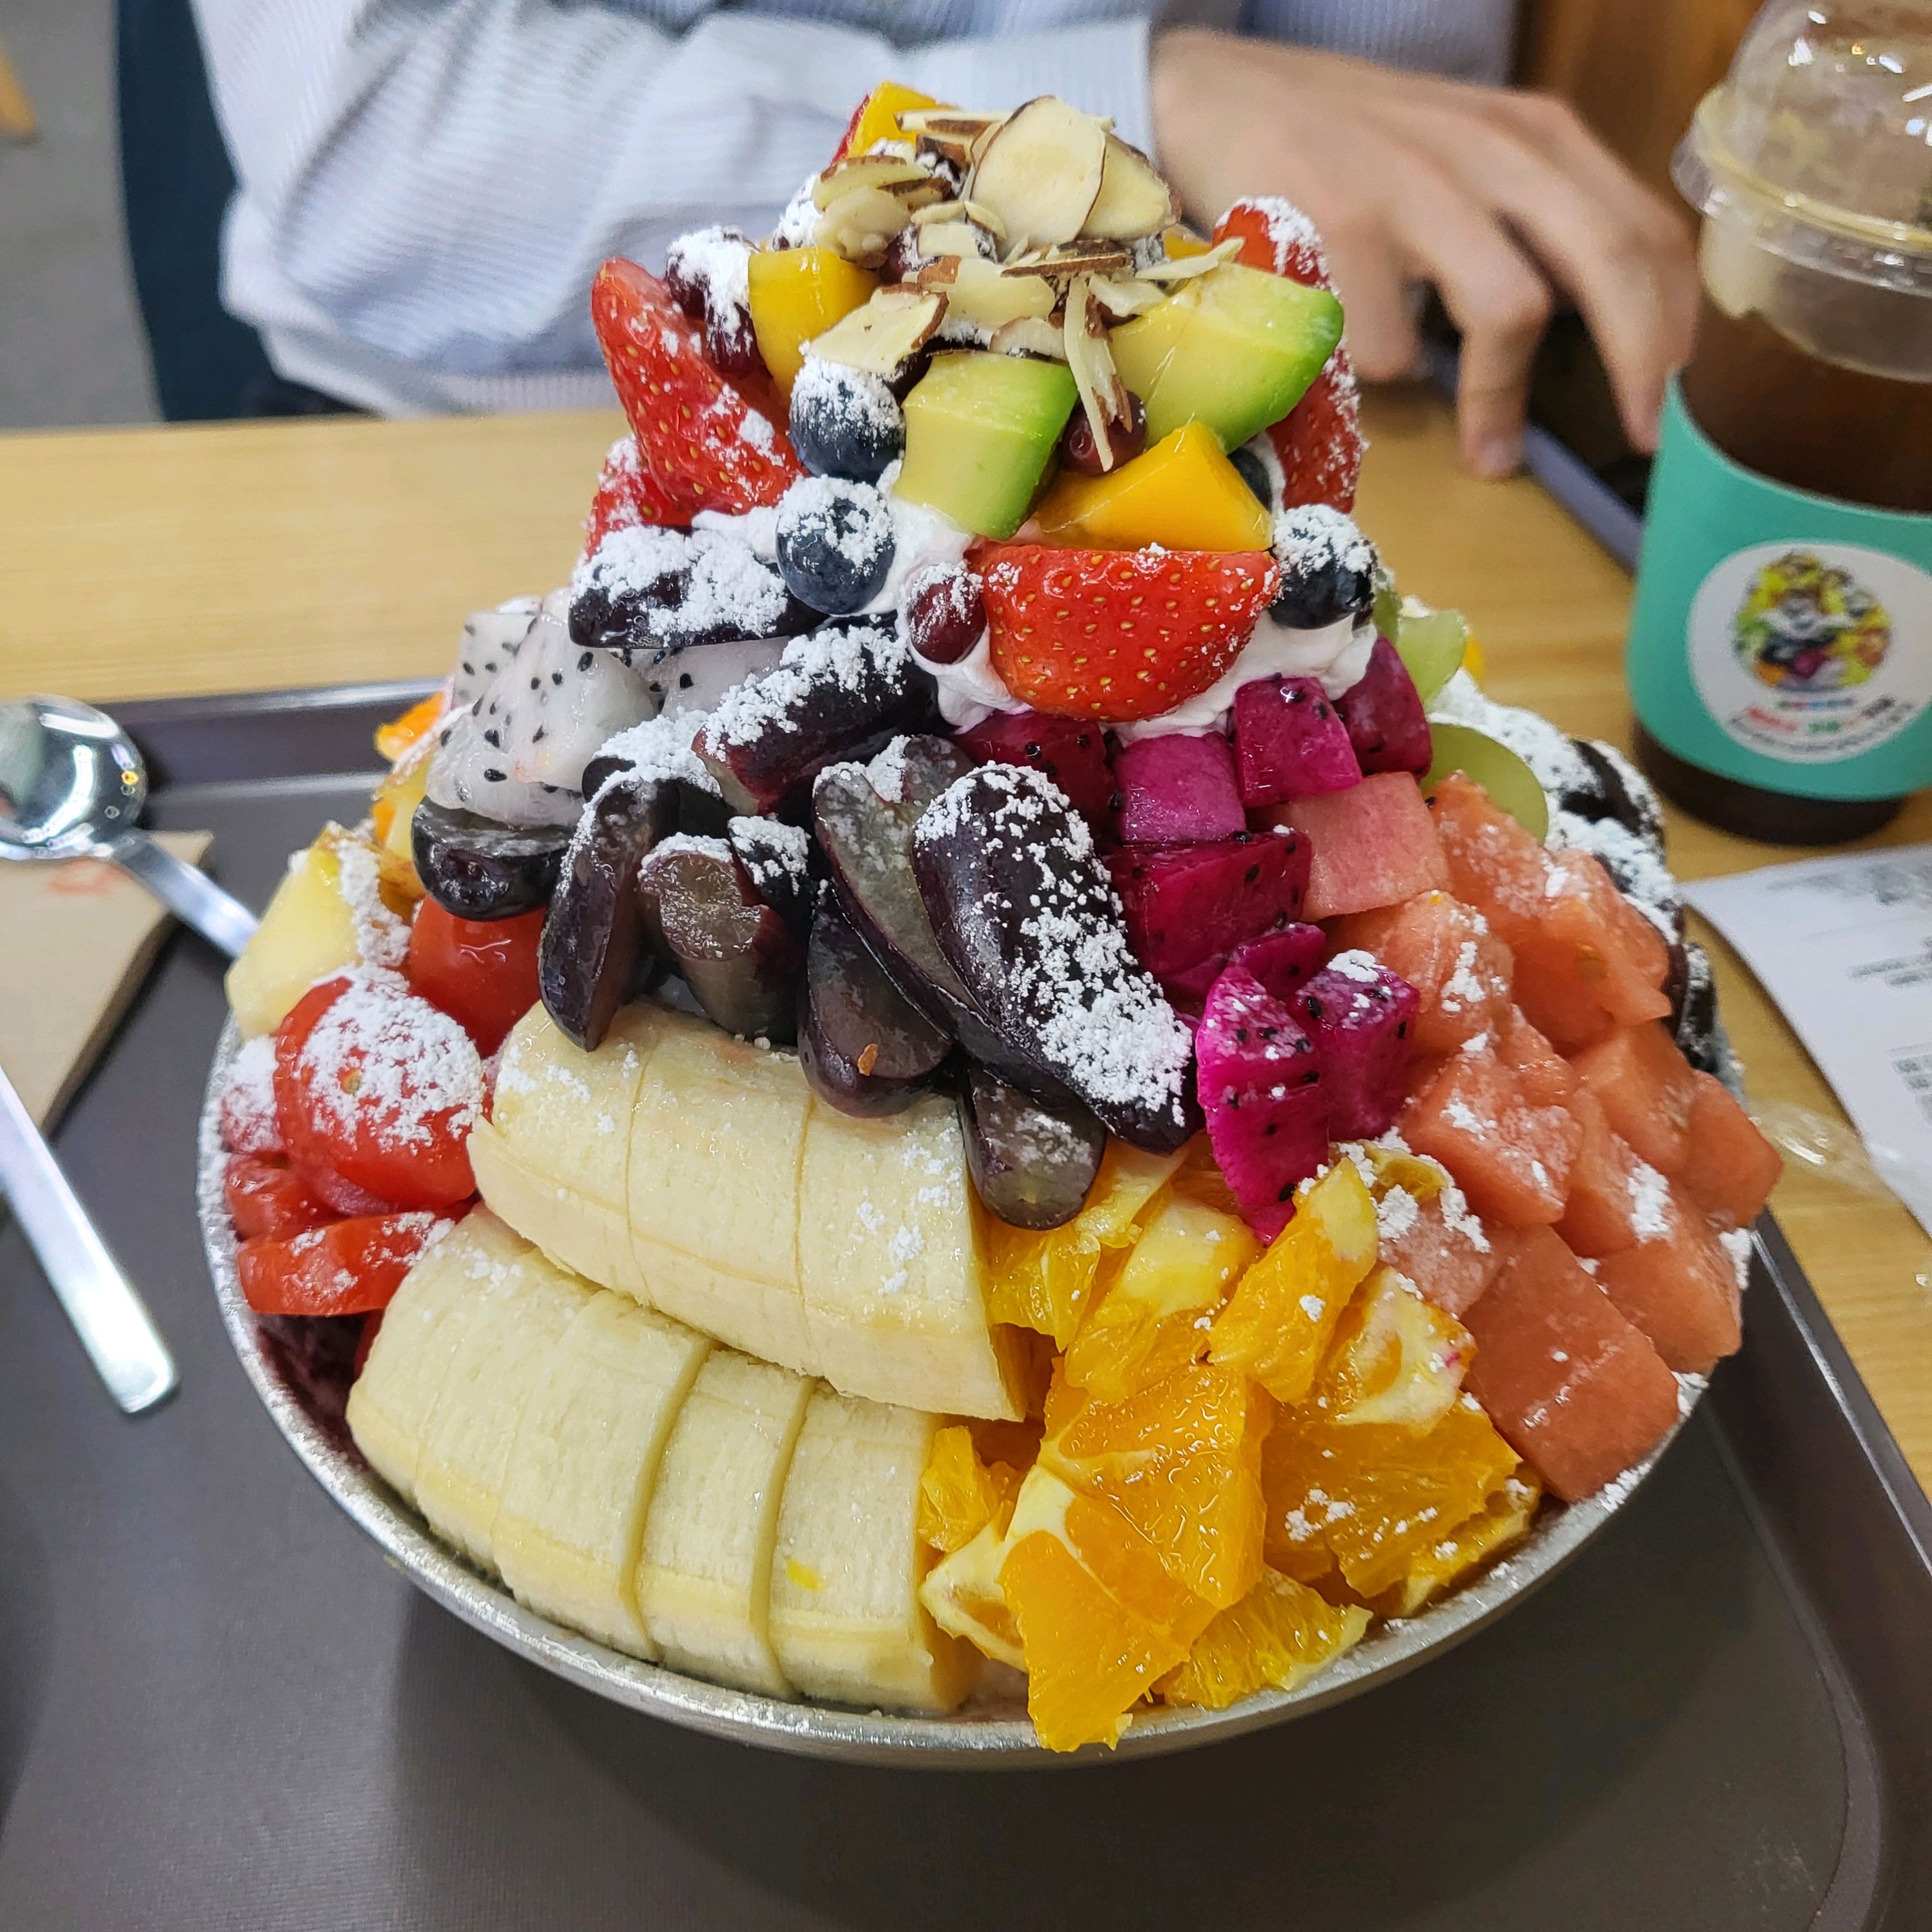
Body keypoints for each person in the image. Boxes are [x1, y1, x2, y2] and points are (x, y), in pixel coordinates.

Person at [189, 0, 1696, 476]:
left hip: (1155, 421)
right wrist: (1114, 109)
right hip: (479, 435)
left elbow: (1374, 79)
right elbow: (396, 158)